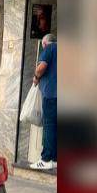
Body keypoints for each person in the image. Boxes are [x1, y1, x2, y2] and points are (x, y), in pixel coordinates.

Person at [31, 33, 57, 170]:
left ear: (45, 43)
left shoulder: (50, 49)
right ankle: (55, 159)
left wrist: (36, 77)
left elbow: (41, 67)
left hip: (52, 94)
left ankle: (46, 159)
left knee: (49, 126)